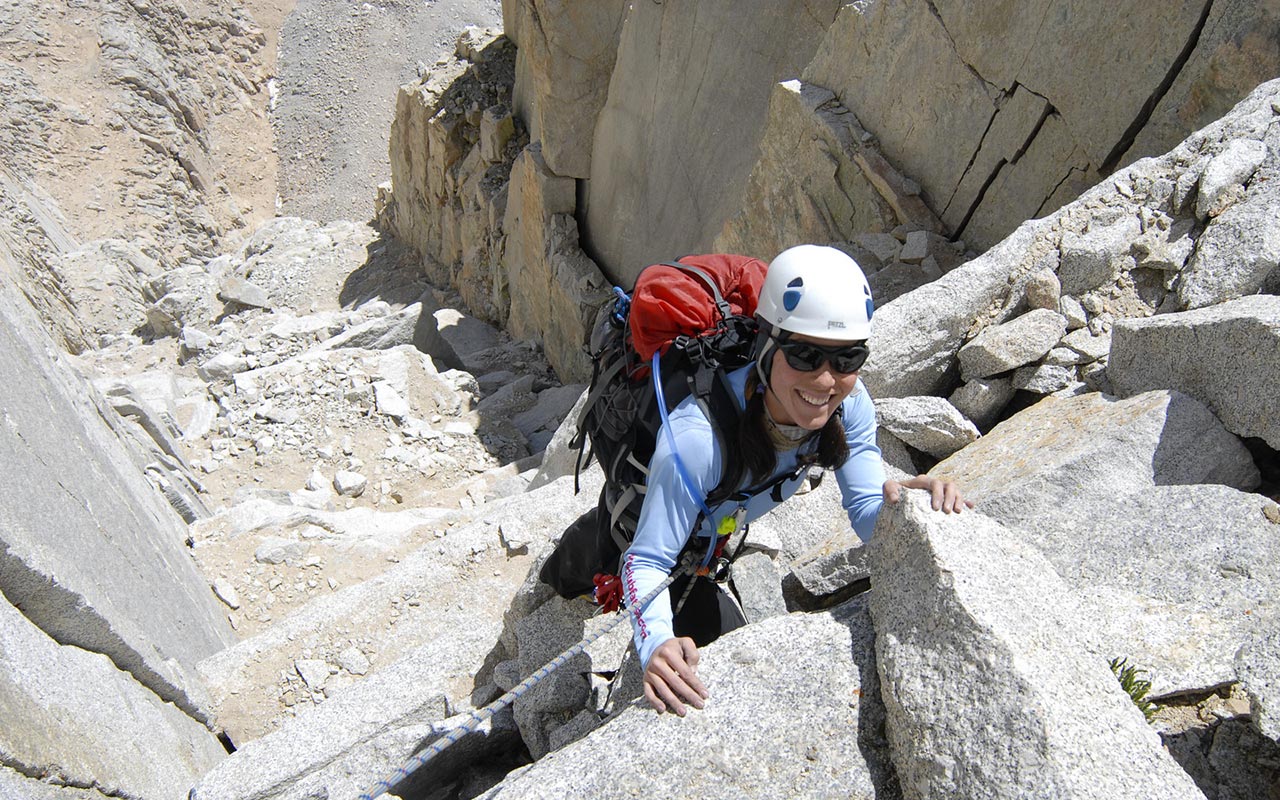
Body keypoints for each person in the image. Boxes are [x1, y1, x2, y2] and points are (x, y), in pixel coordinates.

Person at [620, 244, 973, 716]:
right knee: (589, 559)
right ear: (767, 348)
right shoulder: (695, 439)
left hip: (712, 538)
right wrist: (657, 643)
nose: (827, 381)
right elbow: (644, 560)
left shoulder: (849, 406)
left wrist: (905, 504)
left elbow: (869, 513)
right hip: (648, 518)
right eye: (805, 355)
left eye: (848, 358)